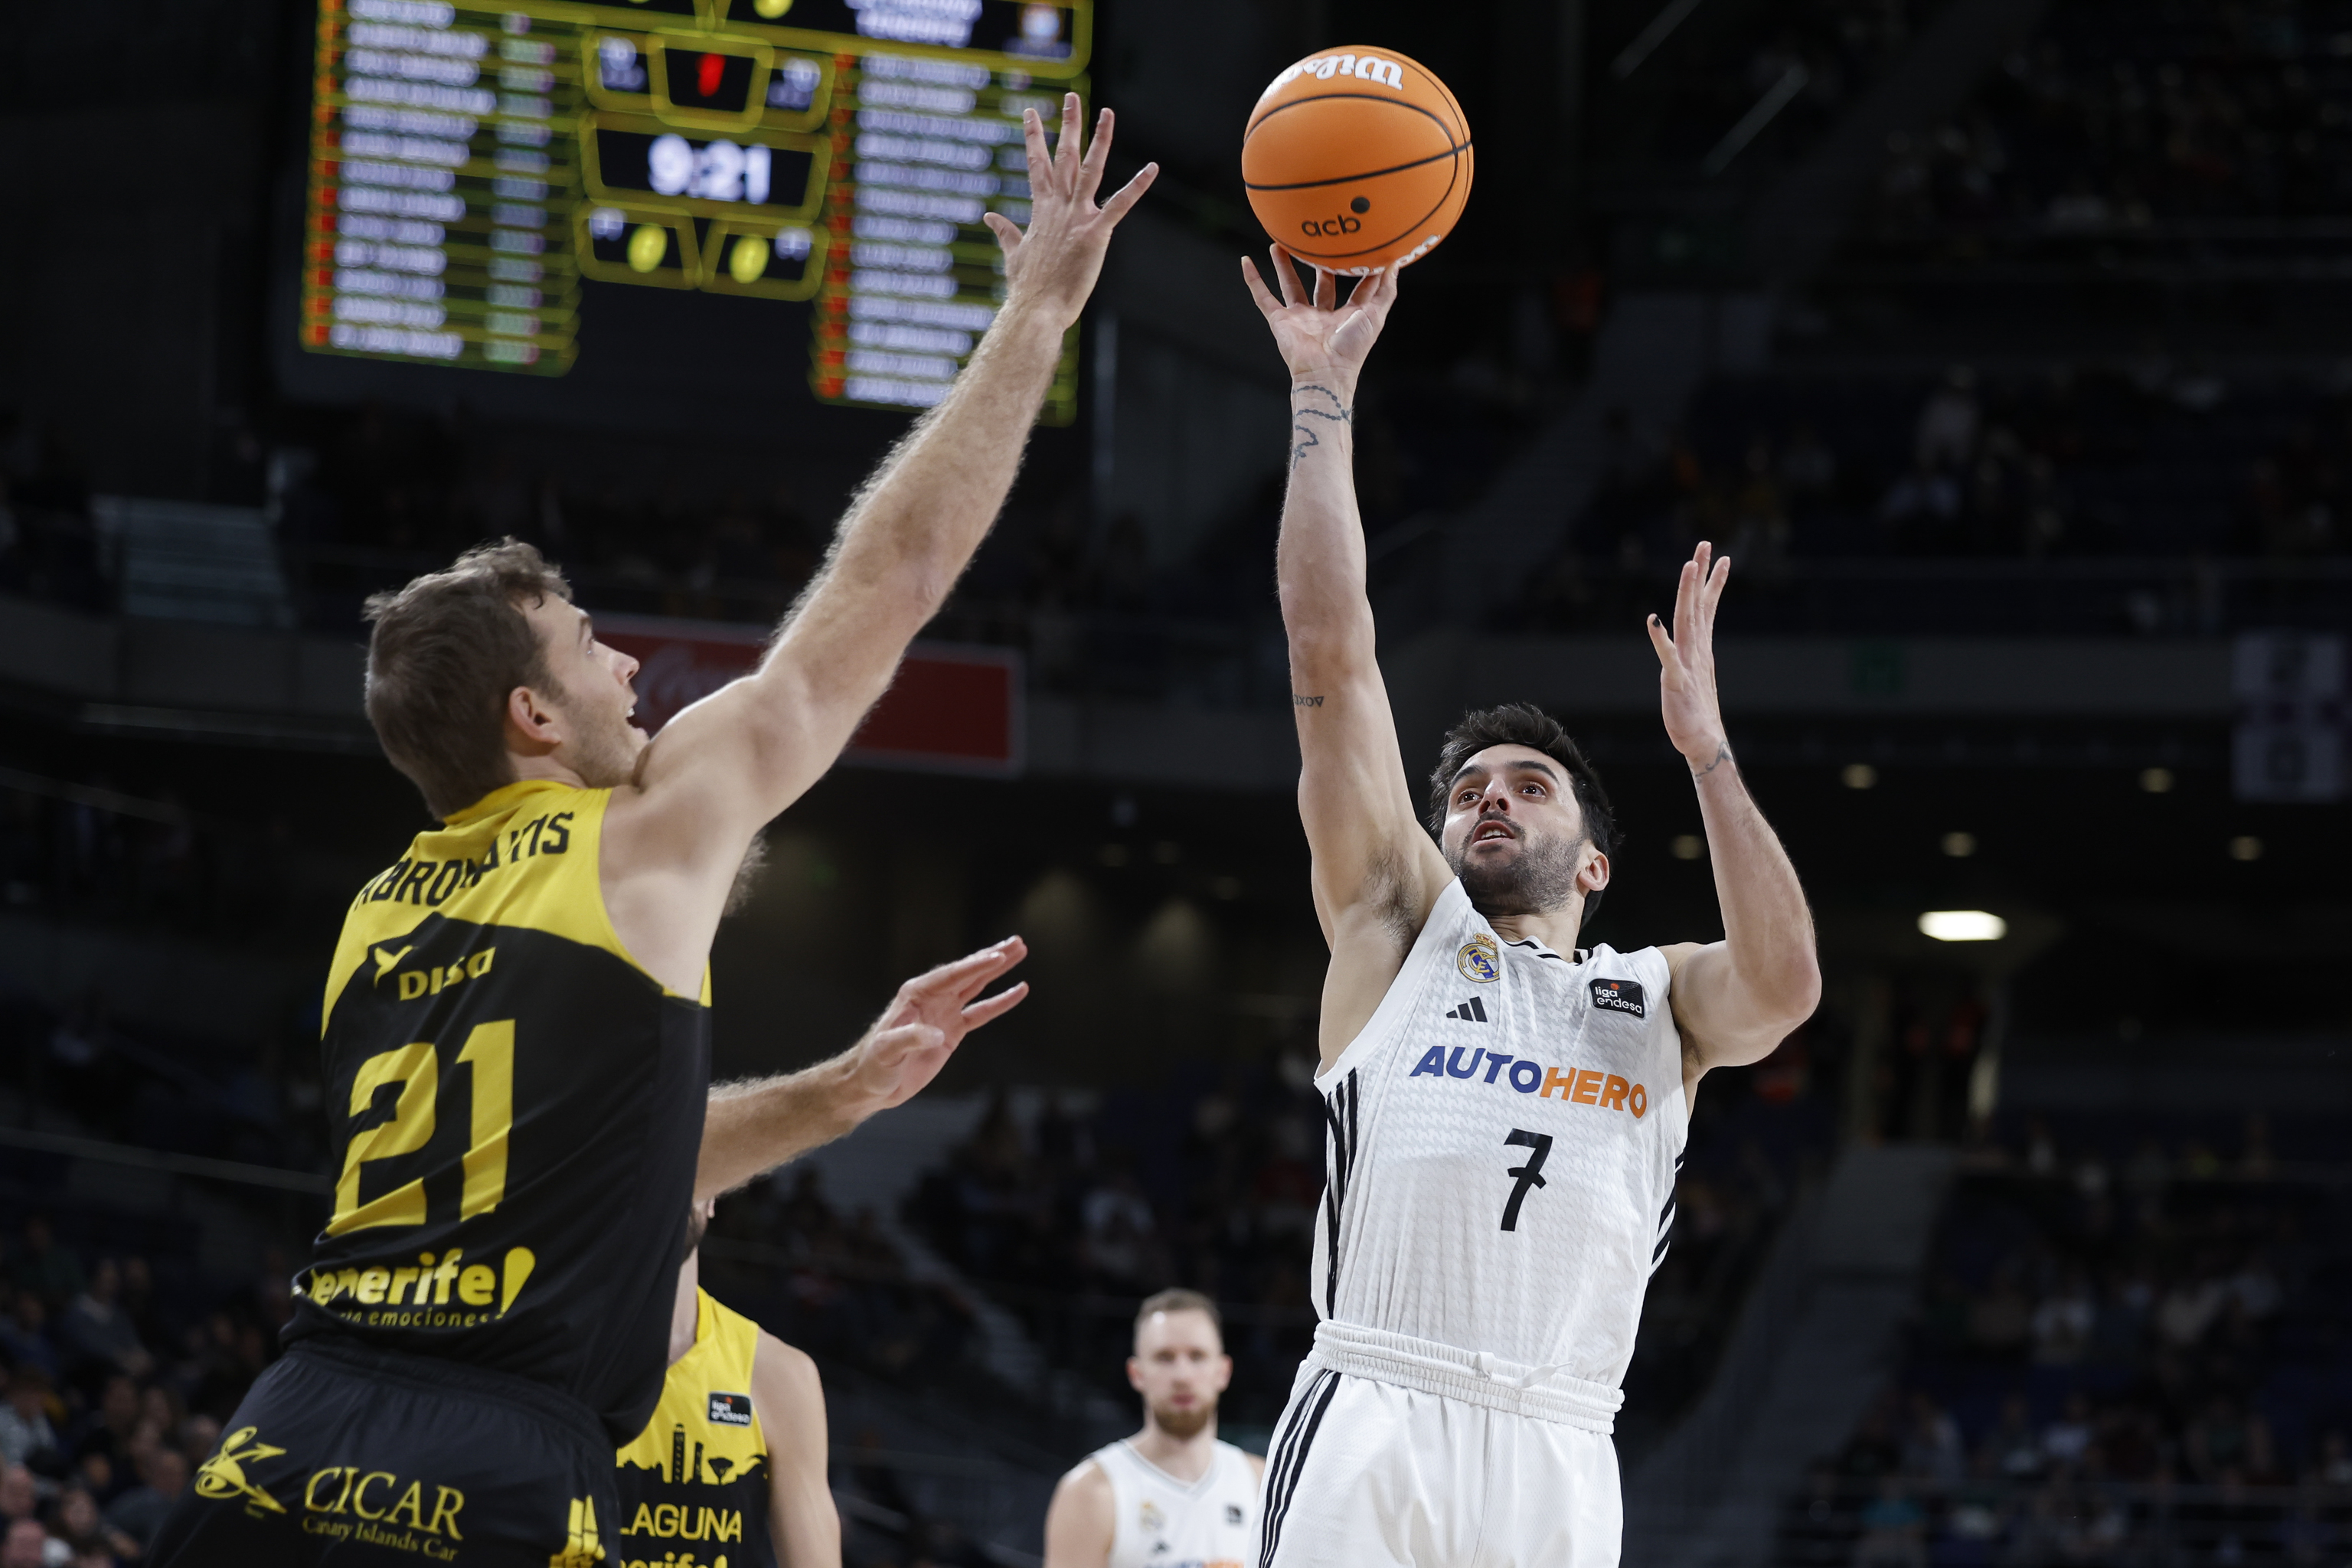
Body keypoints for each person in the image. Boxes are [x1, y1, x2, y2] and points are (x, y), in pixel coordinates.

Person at [149, 94, 1155, 1568]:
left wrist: (843, 1088)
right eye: (589, 645)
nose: (629, 666)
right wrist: (1037, 317)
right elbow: (890, 581)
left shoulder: (375, 914)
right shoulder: (635, 837)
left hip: (281, 1434)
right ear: (531, 720)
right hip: (495, 1452)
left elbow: (608, 1153)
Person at [1236, 250, 1823, 1567]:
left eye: (1529, 784)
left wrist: (1707, 752)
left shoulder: (1657, 1000)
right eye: (1467, 792)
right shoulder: (1398, 932)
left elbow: (1786, 986)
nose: (1488, 802)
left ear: (1596, 860)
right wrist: (1319, 397)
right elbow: (1329, 649)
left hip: (1562, 1439)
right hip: (1378, 1397)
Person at [613, 1199, 834, 1568]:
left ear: (713, 1199)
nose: (679, 1174)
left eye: (695, 1162)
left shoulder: (781, 1377)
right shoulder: (544, 1360)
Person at [1042, 1290, 1263, 1568]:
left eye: (1197, 1356)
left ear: (1224, 1371)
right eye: (1165, 1357)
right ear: (1137, 1373)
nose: (1182, 1376)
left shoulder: (1261, 1483)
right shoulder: (1089, 1492)